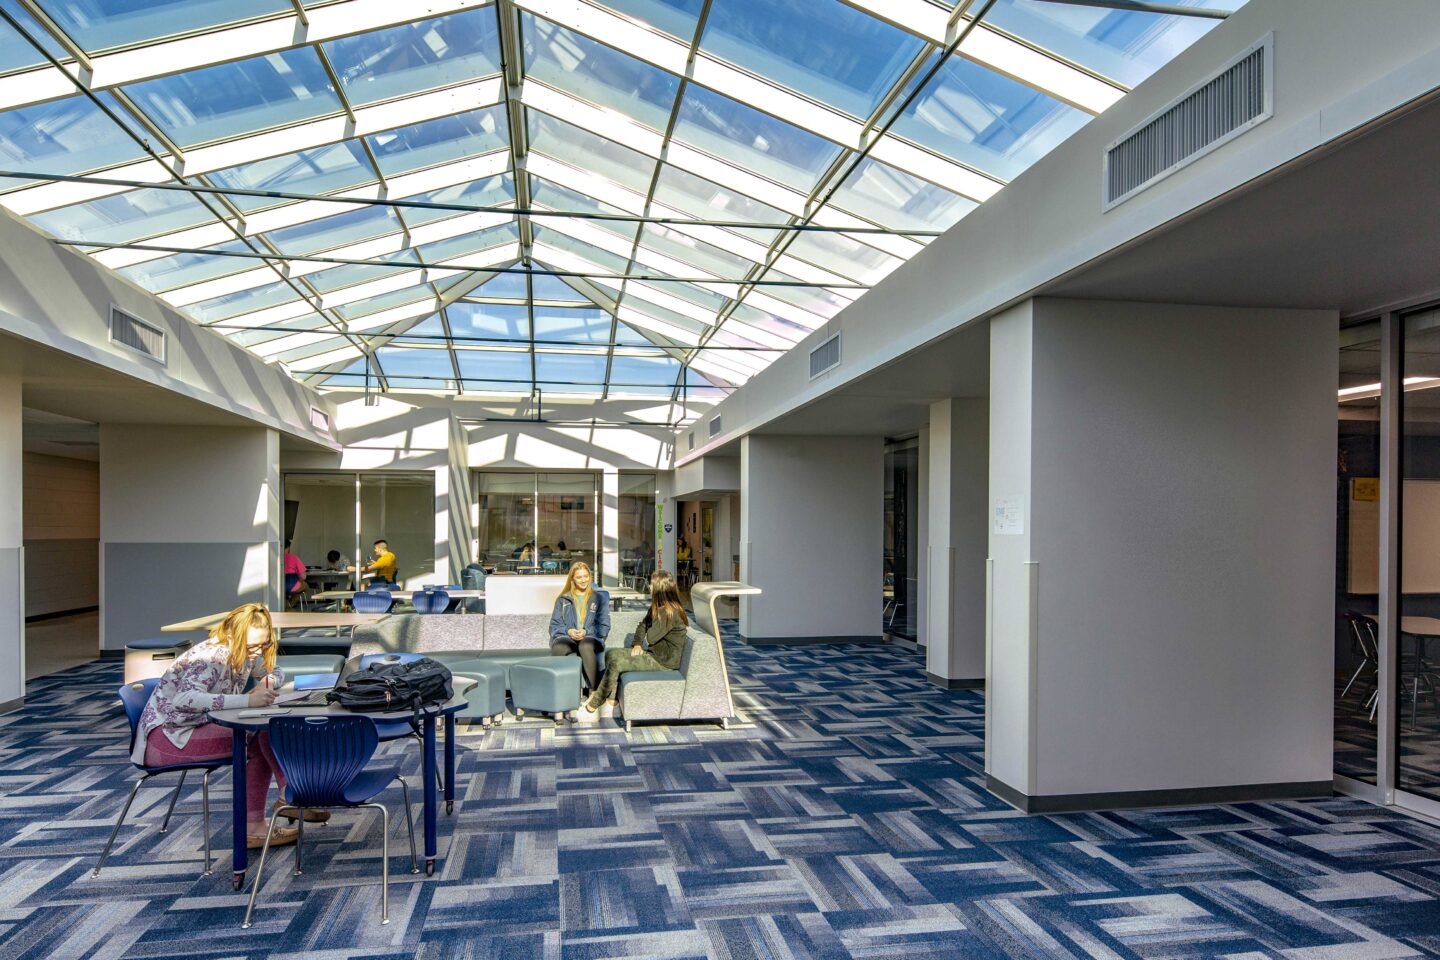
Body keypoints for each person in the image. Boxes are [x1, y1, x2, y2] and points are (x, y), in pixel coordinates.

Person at [133, 604, 325, 848]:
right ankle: (289, 795)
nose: (257, 652)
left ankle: (277, 806)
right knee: (259, 734)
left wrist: (267, 682)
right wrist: (247, 700)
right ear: (232, 636)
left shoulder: (244, 653)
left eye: (264, 644)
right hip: (167, 739)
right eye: (252, 645)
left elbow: (274, 670)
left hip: (191, 728)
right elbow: (184, 698)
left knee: (262, 733)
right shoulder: (212, 657)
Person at [578, 570, 687, 721]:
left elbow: (652, 637)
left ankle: (594, 705)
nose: (649, 586)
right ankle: (612, 703)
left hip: (664, 662)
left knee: (617, 663)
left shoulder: (669, 612)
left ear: (660, 588)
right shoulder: (658, 607)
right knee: (612, 654)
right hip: (654, 654)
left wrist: (650, 626)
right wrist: (637, 644)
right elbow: (642, 625)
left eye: (652, 584)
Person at [548, 561, 610, 690]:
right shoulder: (563, 599)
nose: (583, 580)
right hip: (568, 637)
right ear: (573, 579)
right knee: (559, 647)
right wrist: (568, 631)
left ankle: (595, 691)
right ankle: (559, 691)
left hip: (591, 637)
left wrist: (586, 631)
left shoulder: (599, 598)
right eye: (579, 577)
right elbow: (555, 625)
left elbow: (603, 626)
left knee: (585, 645)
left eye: (586, 576)